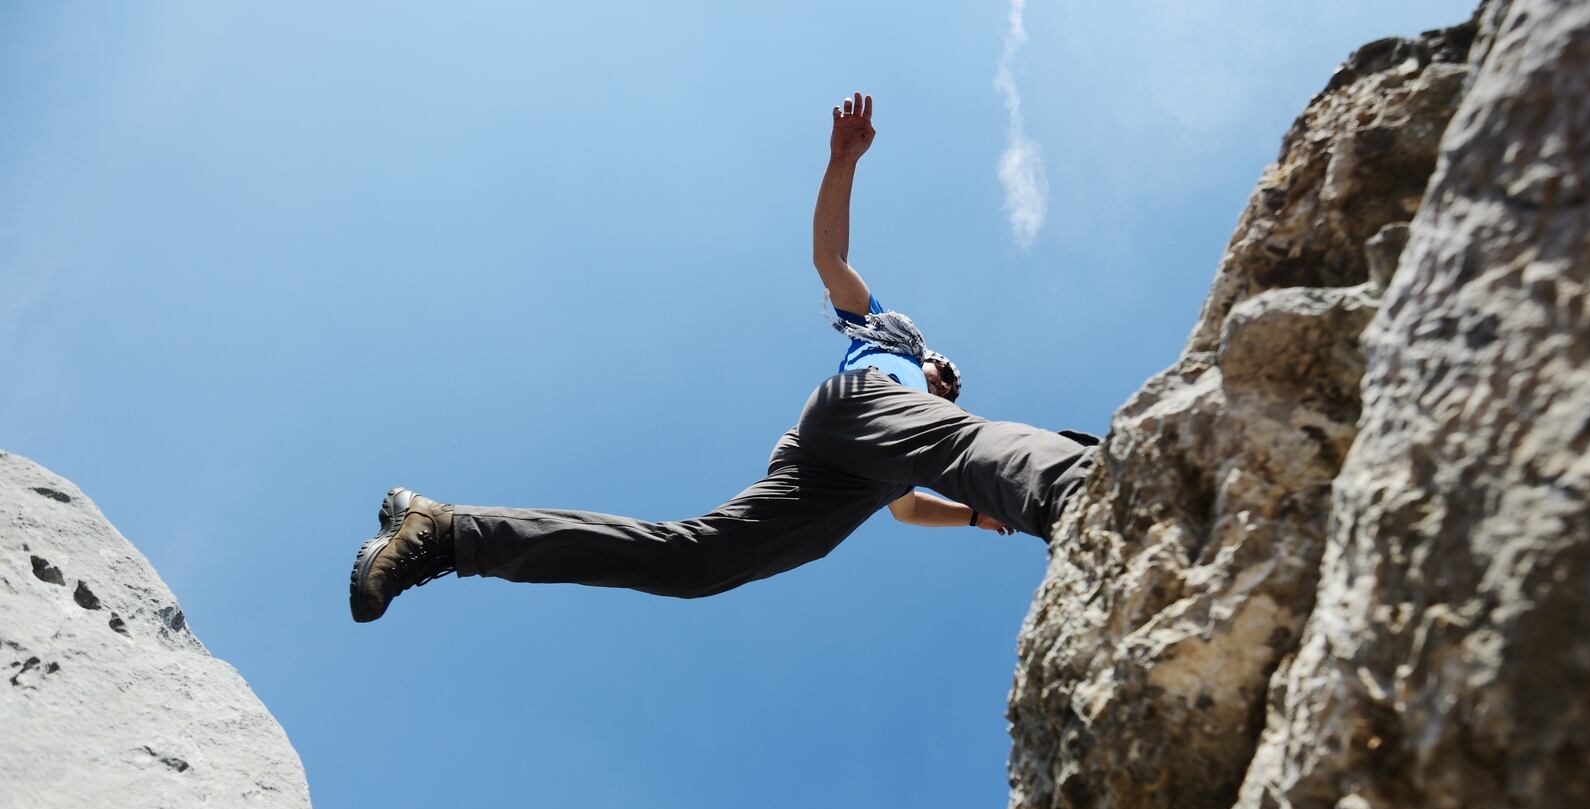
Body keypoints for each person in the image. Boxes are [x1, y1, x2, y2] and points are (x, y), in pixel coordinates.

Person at [349, 93, 1098, 623]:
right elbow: (830, 255)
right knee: (962, 441)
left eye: (947, 384)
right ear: (926, 359)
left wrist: (972, 517)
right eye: (944, 376)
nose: (947, 384)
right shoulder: (887, 340)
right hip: (847, 414)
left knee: (692, 563)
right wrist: (841, 164)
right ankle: (1086, 487)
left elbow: (905, 509)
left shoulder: (913, 451)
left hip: (838, 479)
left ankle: (443, 532)